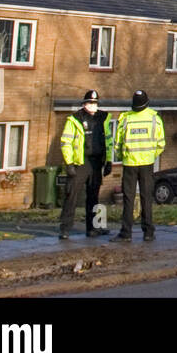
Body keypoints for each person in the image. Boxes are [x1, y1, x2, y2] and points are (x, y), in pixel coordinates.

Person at [59, 90, 114, 240]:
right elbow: (66, 142)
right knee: (71, 195)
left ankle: (94, 228)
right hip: (80, 162)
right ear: (84, 104)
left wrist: (109, 161)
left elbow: (108, 141)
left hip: (96, 162)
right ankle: (65, 228)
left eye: (95, 103)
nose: (93, 106)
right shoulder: (75, 119)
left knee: (94, 197)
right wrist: (69, 163)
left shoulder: (103, 118)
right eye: (90, 103)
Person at [114, 90, 165, 242]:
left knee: (128, 198)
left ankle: (126, 233)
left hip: (129, 163)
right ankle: (148, 232)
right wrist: (150, 155)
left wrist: (124, 156)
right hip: (147, 164)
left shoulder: (125, 119)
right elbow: (161, 144)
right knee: (146, 197)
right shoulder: (155, 119)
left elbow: (117, 145)